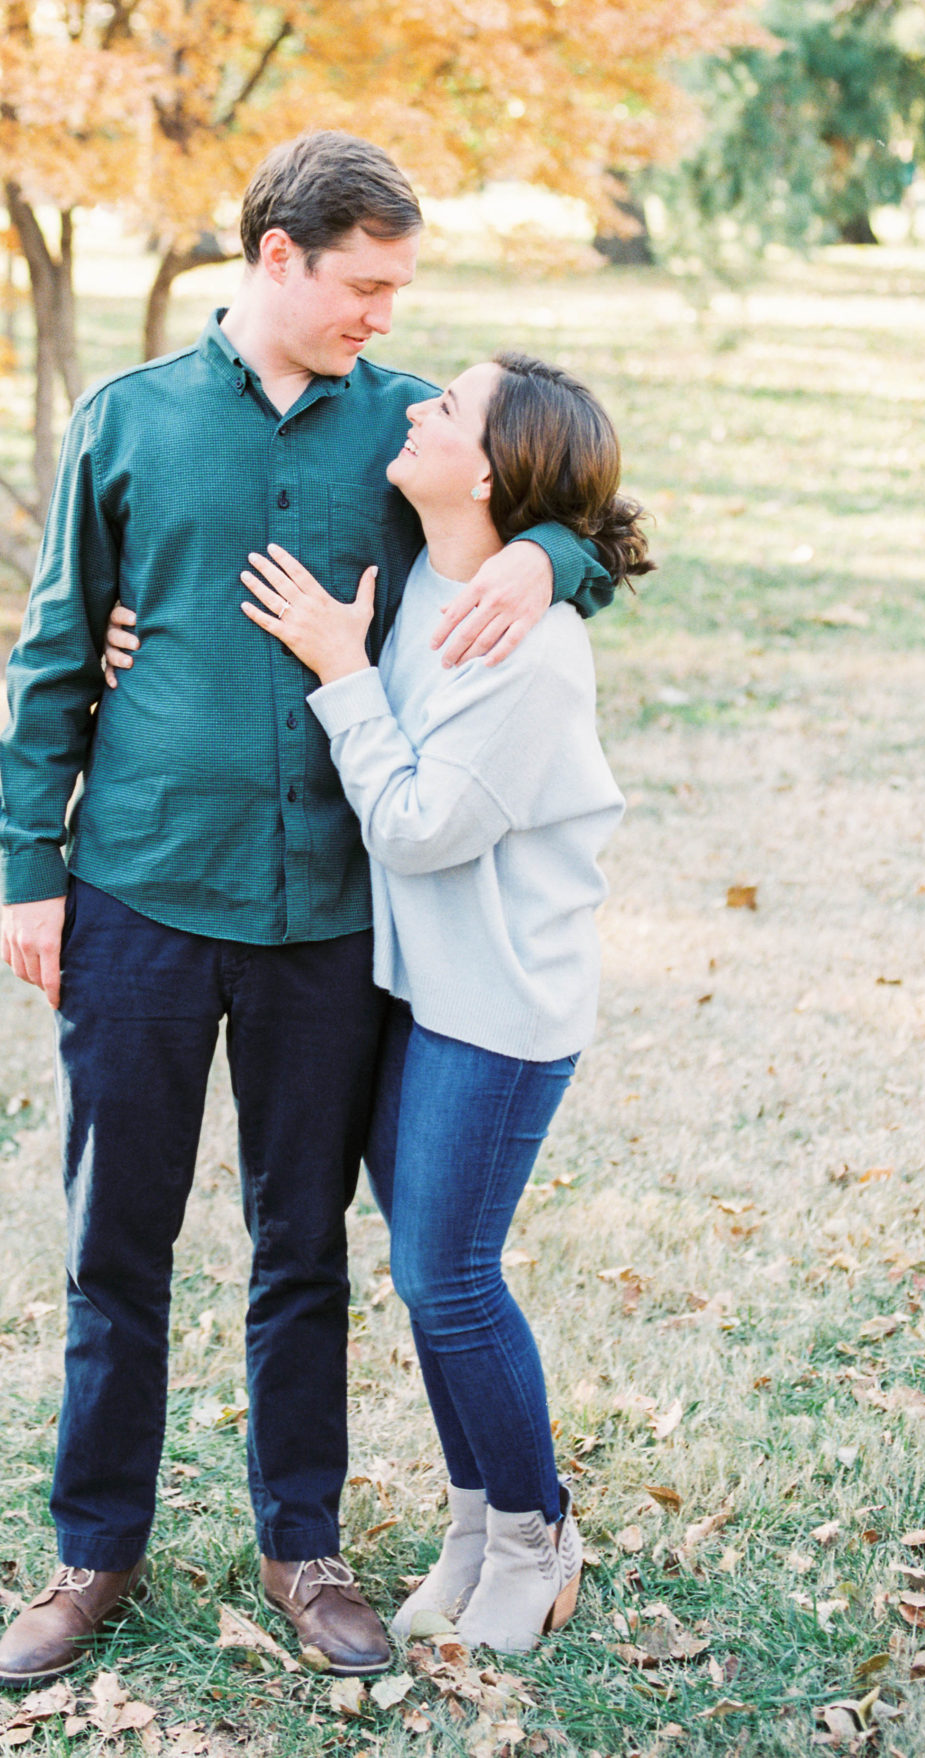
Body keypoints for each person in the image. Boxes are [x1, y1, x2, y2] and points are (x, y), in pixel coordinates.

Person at [0, 133, 614, 1689]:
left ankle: (303, 1546)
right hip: (134, 889)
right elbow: (58, 652)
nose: (383, 315)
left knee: (302, 1248)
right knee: (113, 1239)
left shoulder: (409, 431)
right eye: (363, 283)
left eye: (399, 288)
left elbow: (564, 503)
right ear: (277, 256)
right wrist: (27, 868)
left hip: (331, 915)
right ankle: (93, 1553)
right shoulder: (126, 422)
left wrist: (549, 560)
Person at [238, 352, 650, 1653]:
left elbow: (422, 825)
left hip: (503, 1006)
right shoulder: (432, 573)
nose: (415, 406)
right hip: (420, 990)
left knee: (449, 1272)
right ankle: (475, 1519)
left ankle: (537, 1534)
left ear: (491, 468)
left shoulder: (529, 650)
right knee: (432, 1279)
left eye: (449, 407)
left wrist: (337, 667)